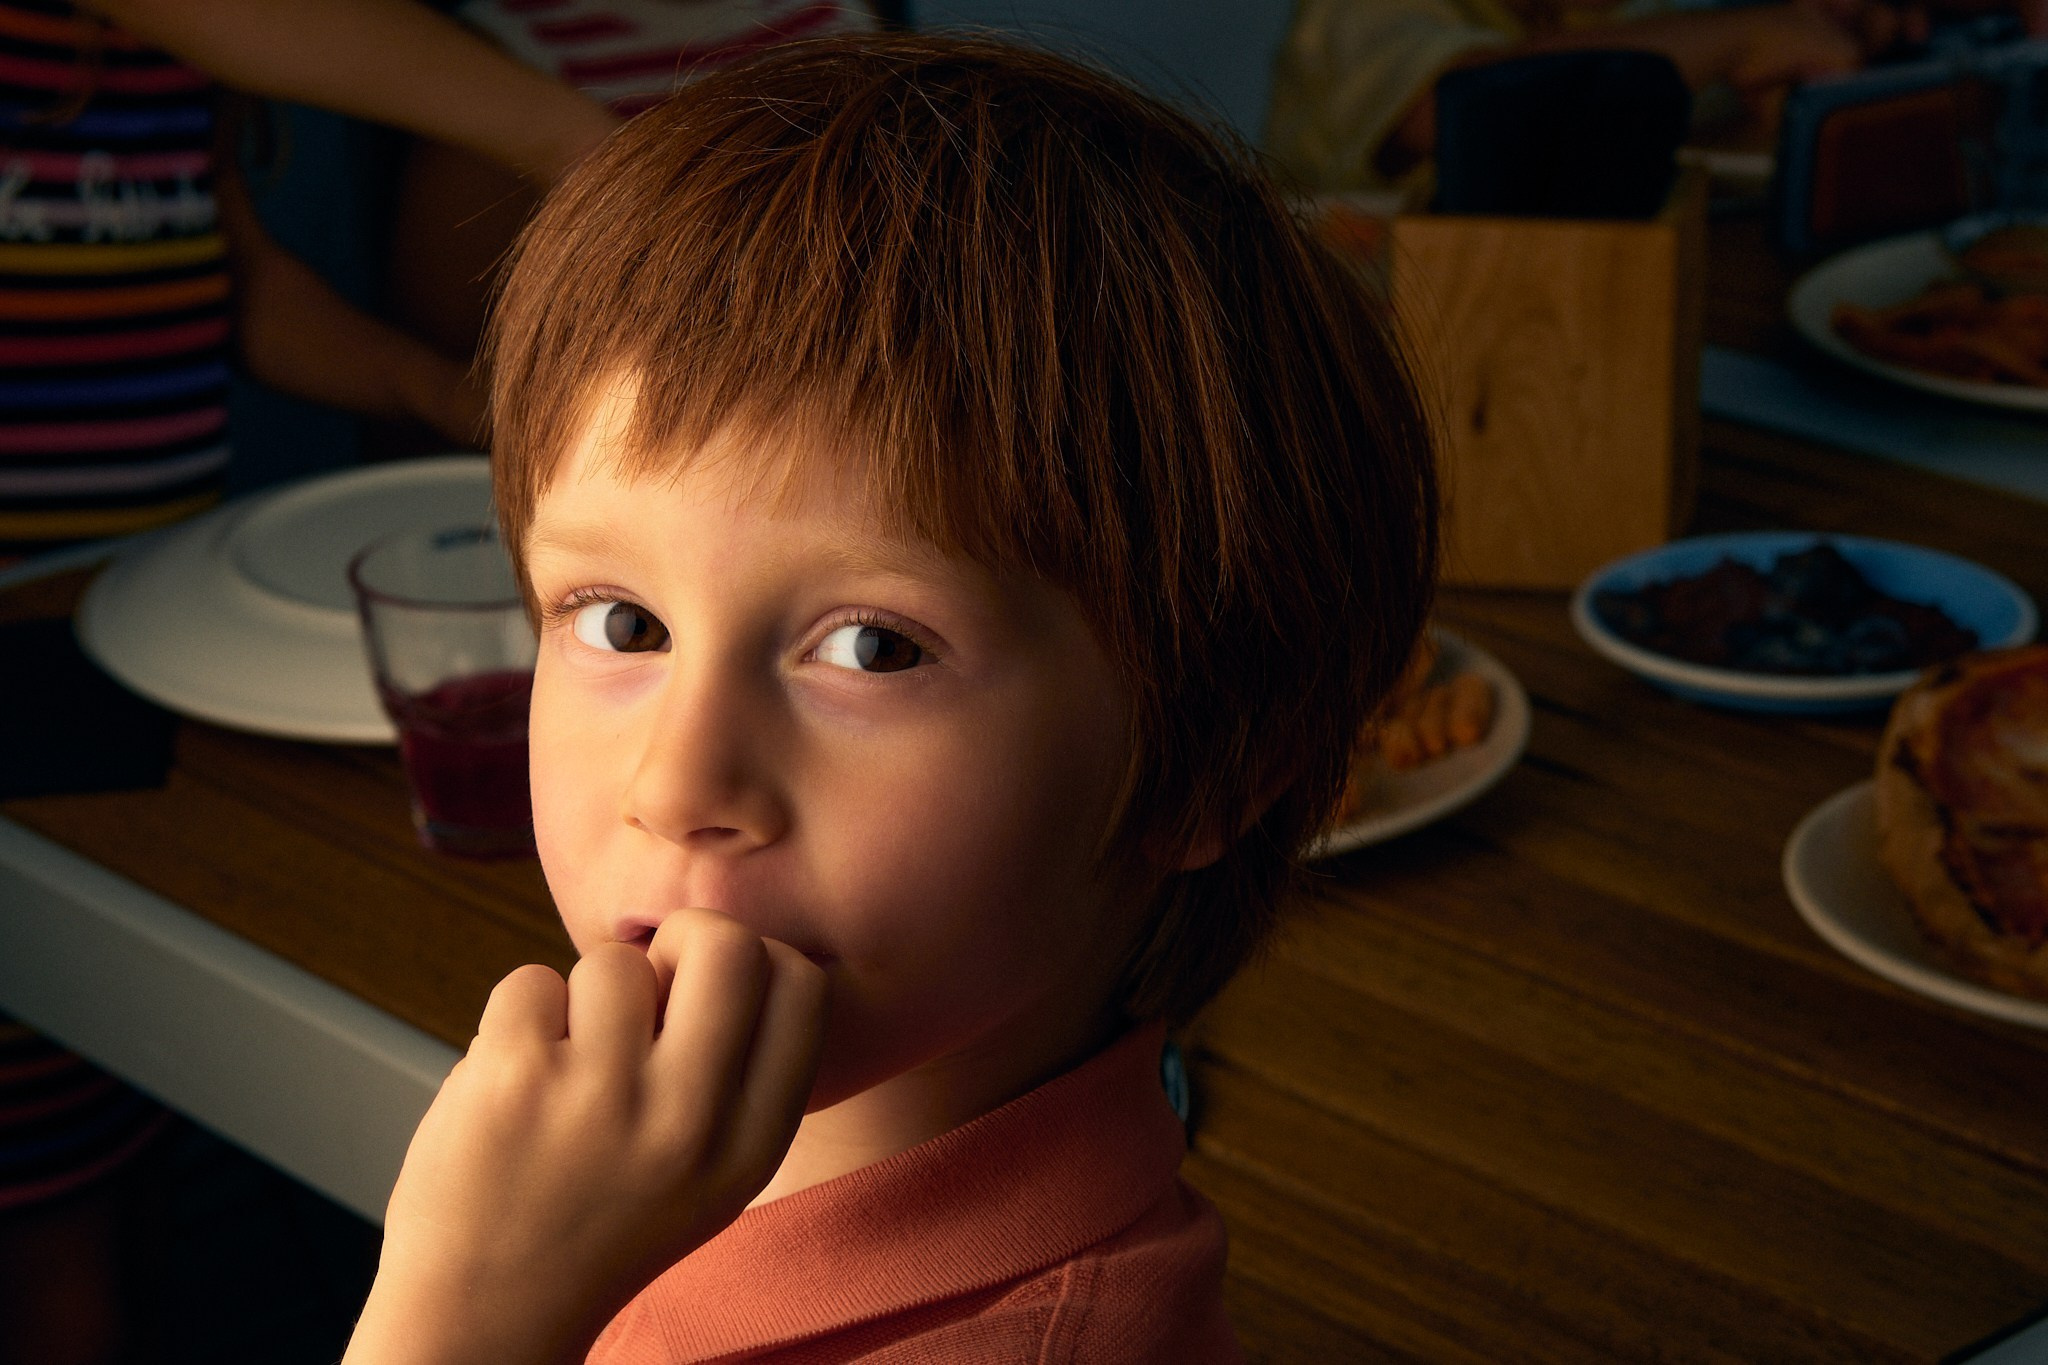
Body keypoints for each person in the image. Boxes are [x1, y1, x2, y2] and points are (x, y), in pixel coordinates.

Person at [342, 31, 1439, 1365]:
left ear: (1211, 762)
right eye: (623, 621)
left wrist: (456, 1320)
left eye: (873, 648)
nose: (678, 785)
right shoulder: (604, 1179)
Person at [0, 4, 612, 1361]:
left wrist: (454, 404)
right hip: (26, 649)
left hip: (113, 636)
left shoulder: (156, 80)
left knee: (106, 1136)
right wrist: (579, 143)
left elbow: (246, 299)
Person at [1265, 0, 1925, 191]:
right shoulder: (1351, 15)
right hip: (1342, 387)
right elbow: (1466, 107)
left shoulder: (1639, 18)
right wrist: (1741, 35)